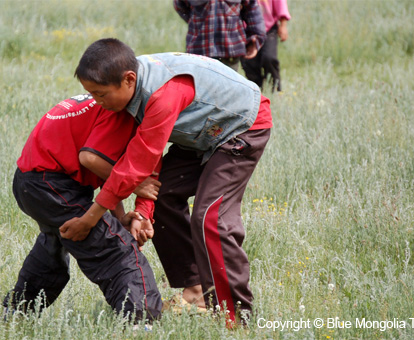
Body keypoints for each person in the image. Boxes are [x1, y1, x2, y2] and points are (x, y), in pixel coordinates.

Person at [61, 38, 273, 326]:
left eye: (100, 95)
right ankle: (197, 290)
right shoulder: (132, 87)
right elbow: (149, 167)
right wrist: (144, 215)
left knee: (210, 217)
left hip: (242, 127)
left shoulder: (161, 95)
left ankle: (236, 318)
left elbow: (136, 165)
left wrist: (90, 217)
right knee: (165, 196)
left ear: (128, 80)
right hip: (205, 131)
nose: (97, 103)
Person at [3, 94, 163, 323]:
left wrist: (120, 216)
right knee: (117, 251)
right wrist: (135, 185)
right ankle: (141, 322)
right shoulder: (122, 112)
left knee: (54, 247)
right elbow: (92, 159)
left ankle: (17, 312)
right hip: (52, 185)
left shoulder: (106, 99)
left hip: (31, 182)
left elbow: (105, 168)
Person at [173, 0, 267, 70]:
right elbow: (180, 6)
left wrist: (256, 38)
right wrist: (196, 22)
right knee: (201, 90)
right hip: (199, 50)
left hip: (230, 50)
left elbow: (252, 9)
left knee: (228, 89)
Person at [241, 0, 291, 92]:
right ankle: (257, 92)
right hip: (246, 30)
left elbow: (280, 3)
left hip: (268, 29)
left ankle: (275, 89)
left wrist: (283, 25)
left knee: (269, 58)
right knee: (249, 63)